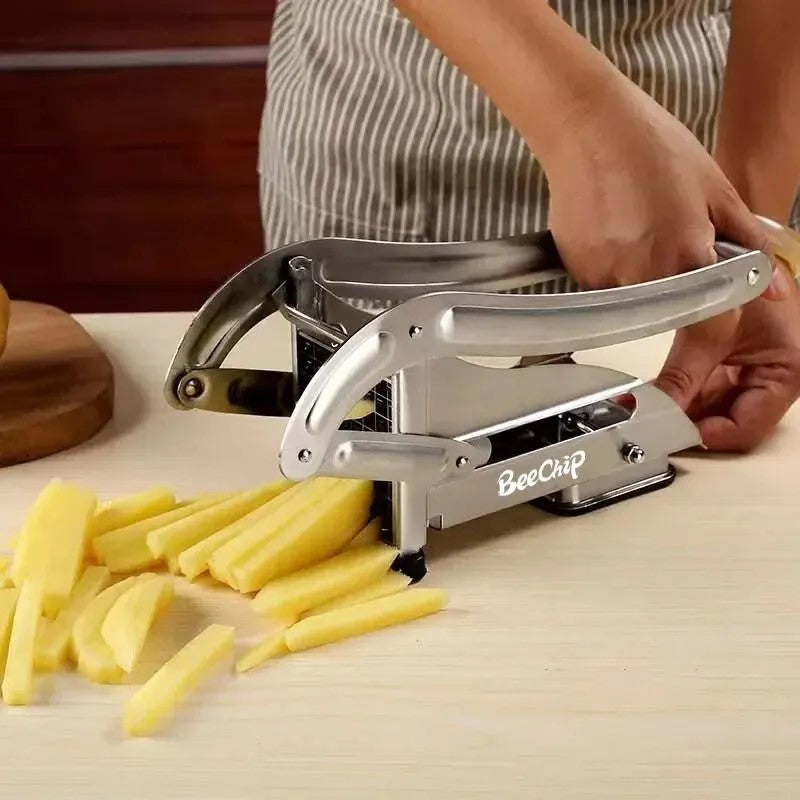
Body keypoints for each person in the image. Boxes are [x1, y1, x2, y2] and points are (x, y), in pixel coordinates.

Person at [257, 0, 800, 452]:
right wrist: (582, 118)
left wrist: (748, 234)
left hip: (694, 137)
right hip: (403, 107)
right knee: (367, 437)